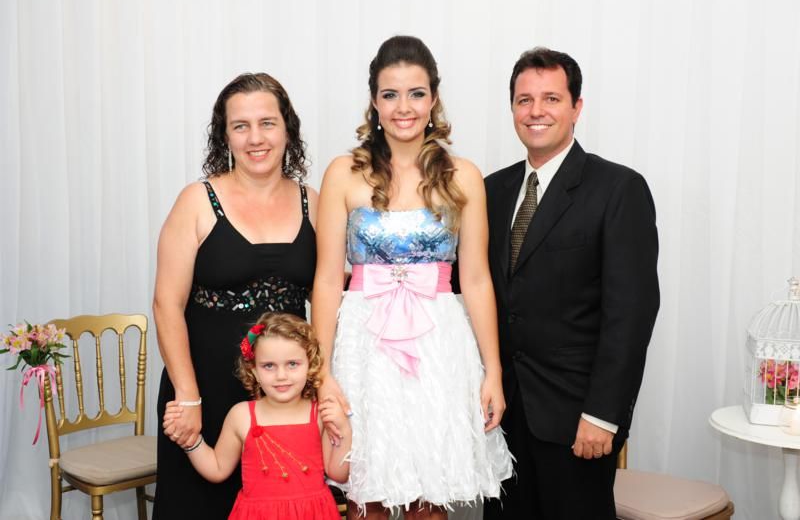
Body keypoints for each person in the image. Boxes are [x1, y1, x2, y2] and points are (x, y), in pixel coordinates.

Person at [312, 35, 513, 519]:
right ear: (374, 101)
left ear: (434, 98)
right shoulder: (342, 173)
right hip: (363, 344)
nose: (404, 107)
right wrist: (322, 373)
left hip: (438, 344)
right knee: (367, 494)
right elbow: (326, 280)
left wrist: (493, 370)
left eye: (416, 93)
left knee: (430, 494)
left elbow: (477, 280)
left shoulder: (464, 175)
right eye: (390, 94)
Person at [482, 47, 660, 519]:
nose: (535, 111)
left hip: (577, 419)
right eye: (524, 100)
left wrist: (603, 415)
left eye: (551, 99)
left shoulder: (618, 189)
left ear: (577, 107)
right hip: (502, 417)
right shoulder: (491, 190)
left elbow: (631, 315)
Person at [152, 73, 318, 518]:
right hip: (204, 387)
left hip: (283, 393)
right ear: (224, 136)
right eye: (240, 126)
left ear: (288, 129)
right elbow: (166, 305)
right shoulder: (196, 200)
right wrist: (187, 396)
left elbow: (327, 295)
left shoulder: (314, 202)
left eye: (267, 123)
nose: (255, 138)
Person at [162, 312, 350, 520]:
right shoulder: (241, 415)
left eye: (292, 364)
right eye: (269, 366)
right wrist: (190, 440)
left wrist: (344, 428)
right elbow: (217, 469)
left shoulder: (319, 414)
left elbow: (339, 474)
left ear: (310, 364)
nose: (281, 375)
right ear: (254, 371)